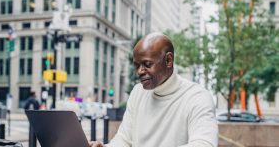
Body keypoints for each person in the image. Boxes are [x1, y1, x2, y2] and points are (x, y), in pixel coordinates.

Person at [90, 32, 218, 147]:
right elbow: (125, 139)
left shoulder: (197, 97)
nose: (139, 71)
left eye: (147, 64)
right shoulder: (137, 92)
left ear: (168, 60)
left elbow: (205, 143)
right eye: (137, 65)